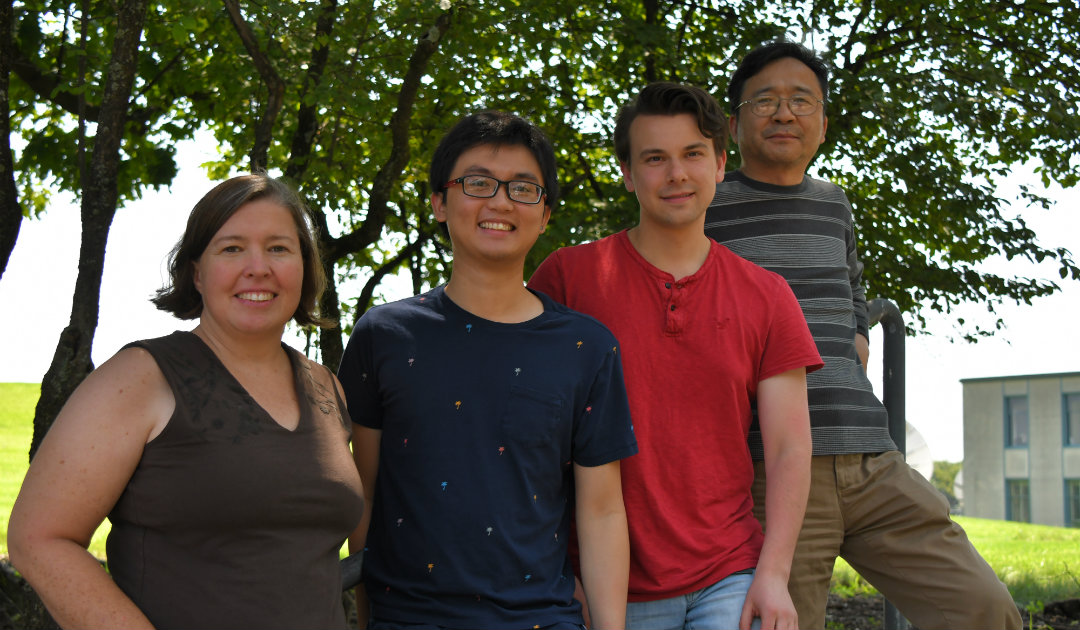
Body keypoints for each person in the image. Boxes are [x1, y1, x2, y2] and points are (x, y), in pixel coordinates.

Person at [705, 40, 1023, 629]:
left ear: (822, 124)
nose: (783, 113)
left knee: (984, 608)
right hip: (771, 472)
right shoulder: (705, 207)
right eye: (765, 100)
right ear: (732, 123)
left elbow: (851, 285)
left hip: (873, 461)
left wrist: (857, 334)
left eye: (802, 100)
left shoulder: (833, 203)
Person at [7, 174, 365, 629]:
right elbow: (38, 538)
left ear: (305, 266)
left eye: (278, 248)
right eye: (232, 248)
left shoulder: (325, 388)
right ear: (196, 271)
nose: (258, 267)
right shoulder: (141, 376)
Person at [529, 82, 823, 630]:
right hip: (602, 579)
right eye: (655, 158)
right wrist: (556, 571)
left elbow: (788, 447)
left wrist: (774, 574)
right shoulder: (568, 279)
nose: (676, 174)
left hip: (728, 574)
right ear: (628, 172)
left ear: (718, 162)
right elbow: (526, 440)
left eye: (692, 154)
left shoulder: (767, 295)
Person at [337, 110, 637, 630]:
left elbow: (603, 511)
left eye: (523, 189)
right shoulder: (383, 335)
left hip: (542, 619)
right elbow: (365, 493)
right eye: (477, 182)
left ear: (545, 216)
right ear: (439, 202)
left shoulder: (588, 347)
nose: (499, 201)